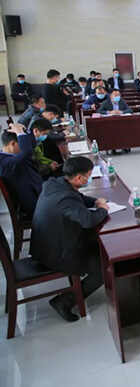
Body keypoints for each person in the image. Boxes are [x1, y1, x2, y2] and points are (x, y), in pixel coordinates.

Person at [30, 156, 109, 322]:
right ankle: (64, 301)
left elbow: (78, 199)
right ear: (79, 178)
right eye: (88, 176)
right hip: (56, 252)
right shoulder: (66, 199)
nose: (89, 179)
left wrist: (95, 201)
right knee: (104, 268)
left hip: (46, 243)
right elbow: (88, 220)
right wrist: (103, 209)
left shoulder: (55, 184)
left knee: (100, 245)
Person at [0, 123, 43, 216]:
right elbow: (26, 152)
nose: (25, 145)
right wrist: (20, 133)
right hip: (34, 204)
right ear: (13, 144)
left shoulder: (12, 156)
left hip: (39, 193)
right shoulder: (4, 163)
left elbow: (30, 147)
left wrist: (25, 130)